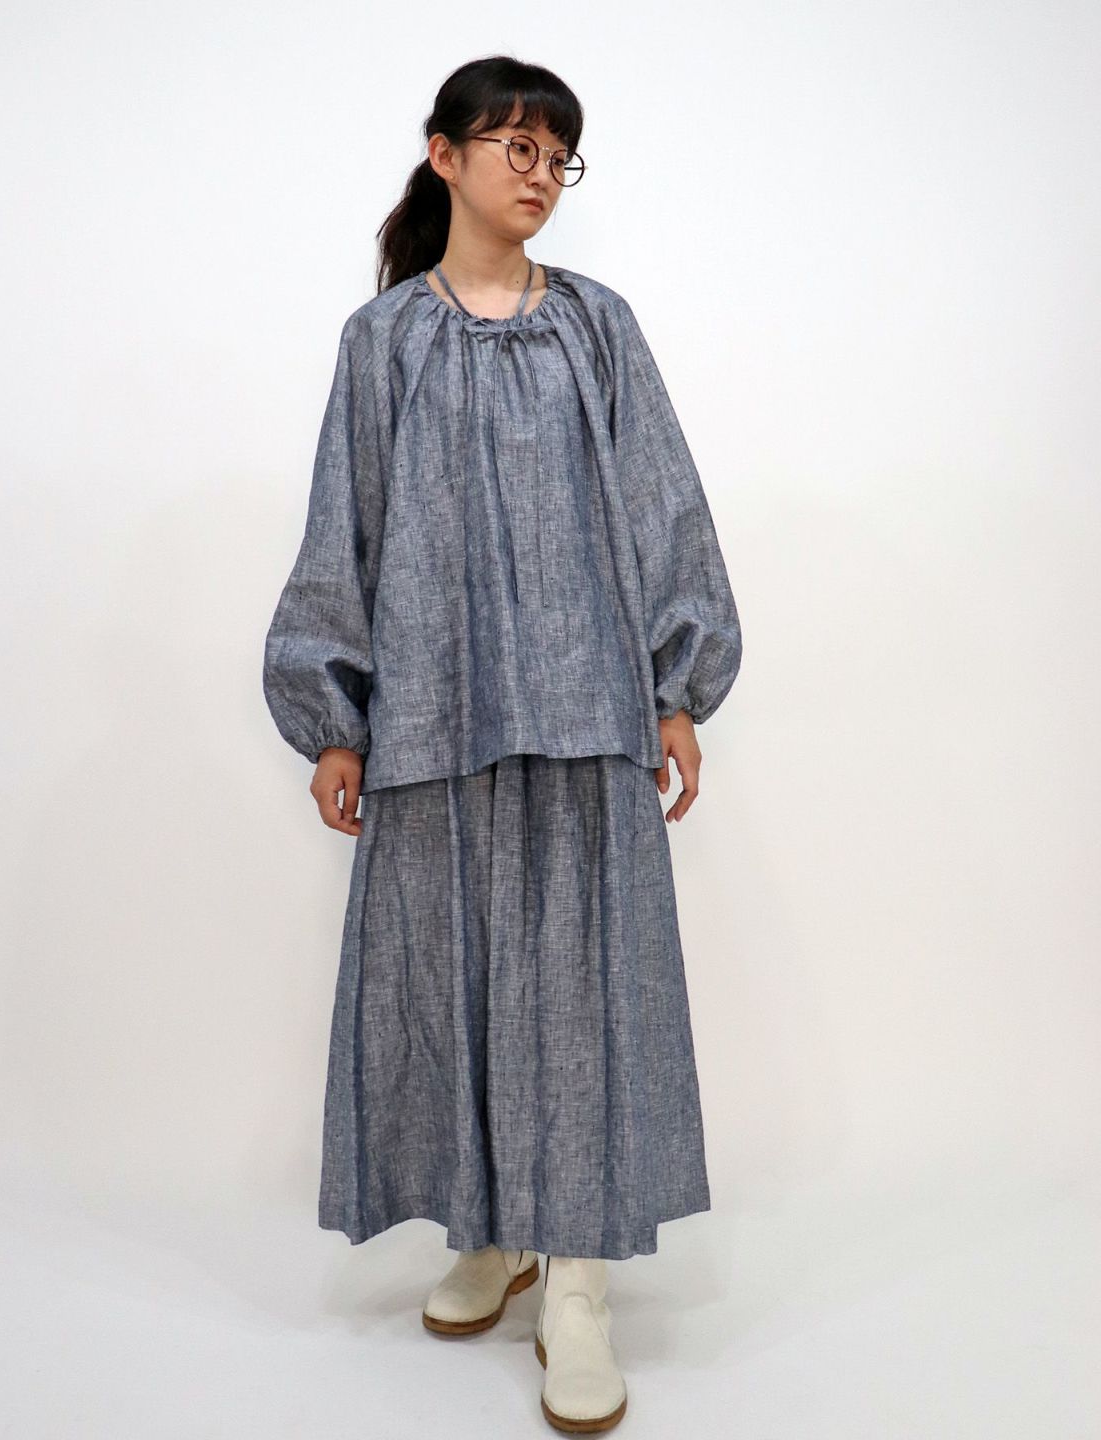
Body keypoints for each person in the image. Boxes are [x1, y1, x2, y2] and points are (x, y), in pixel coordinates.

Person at [262, 55, 742, 1435]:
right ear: (445, 155)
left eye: (556, 154)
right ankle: (491, 1230)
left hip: (589, 712)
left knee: (583, 993)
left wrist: (676, 687)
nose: (538, 173)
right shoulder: (383, 341)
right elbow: (345, 524)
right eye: (514, 146)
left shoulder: (597, 327)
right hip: (434, 714)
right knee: (451, 980)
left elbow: (663, 504)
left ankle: (576, 1284)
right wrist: (333, 715)